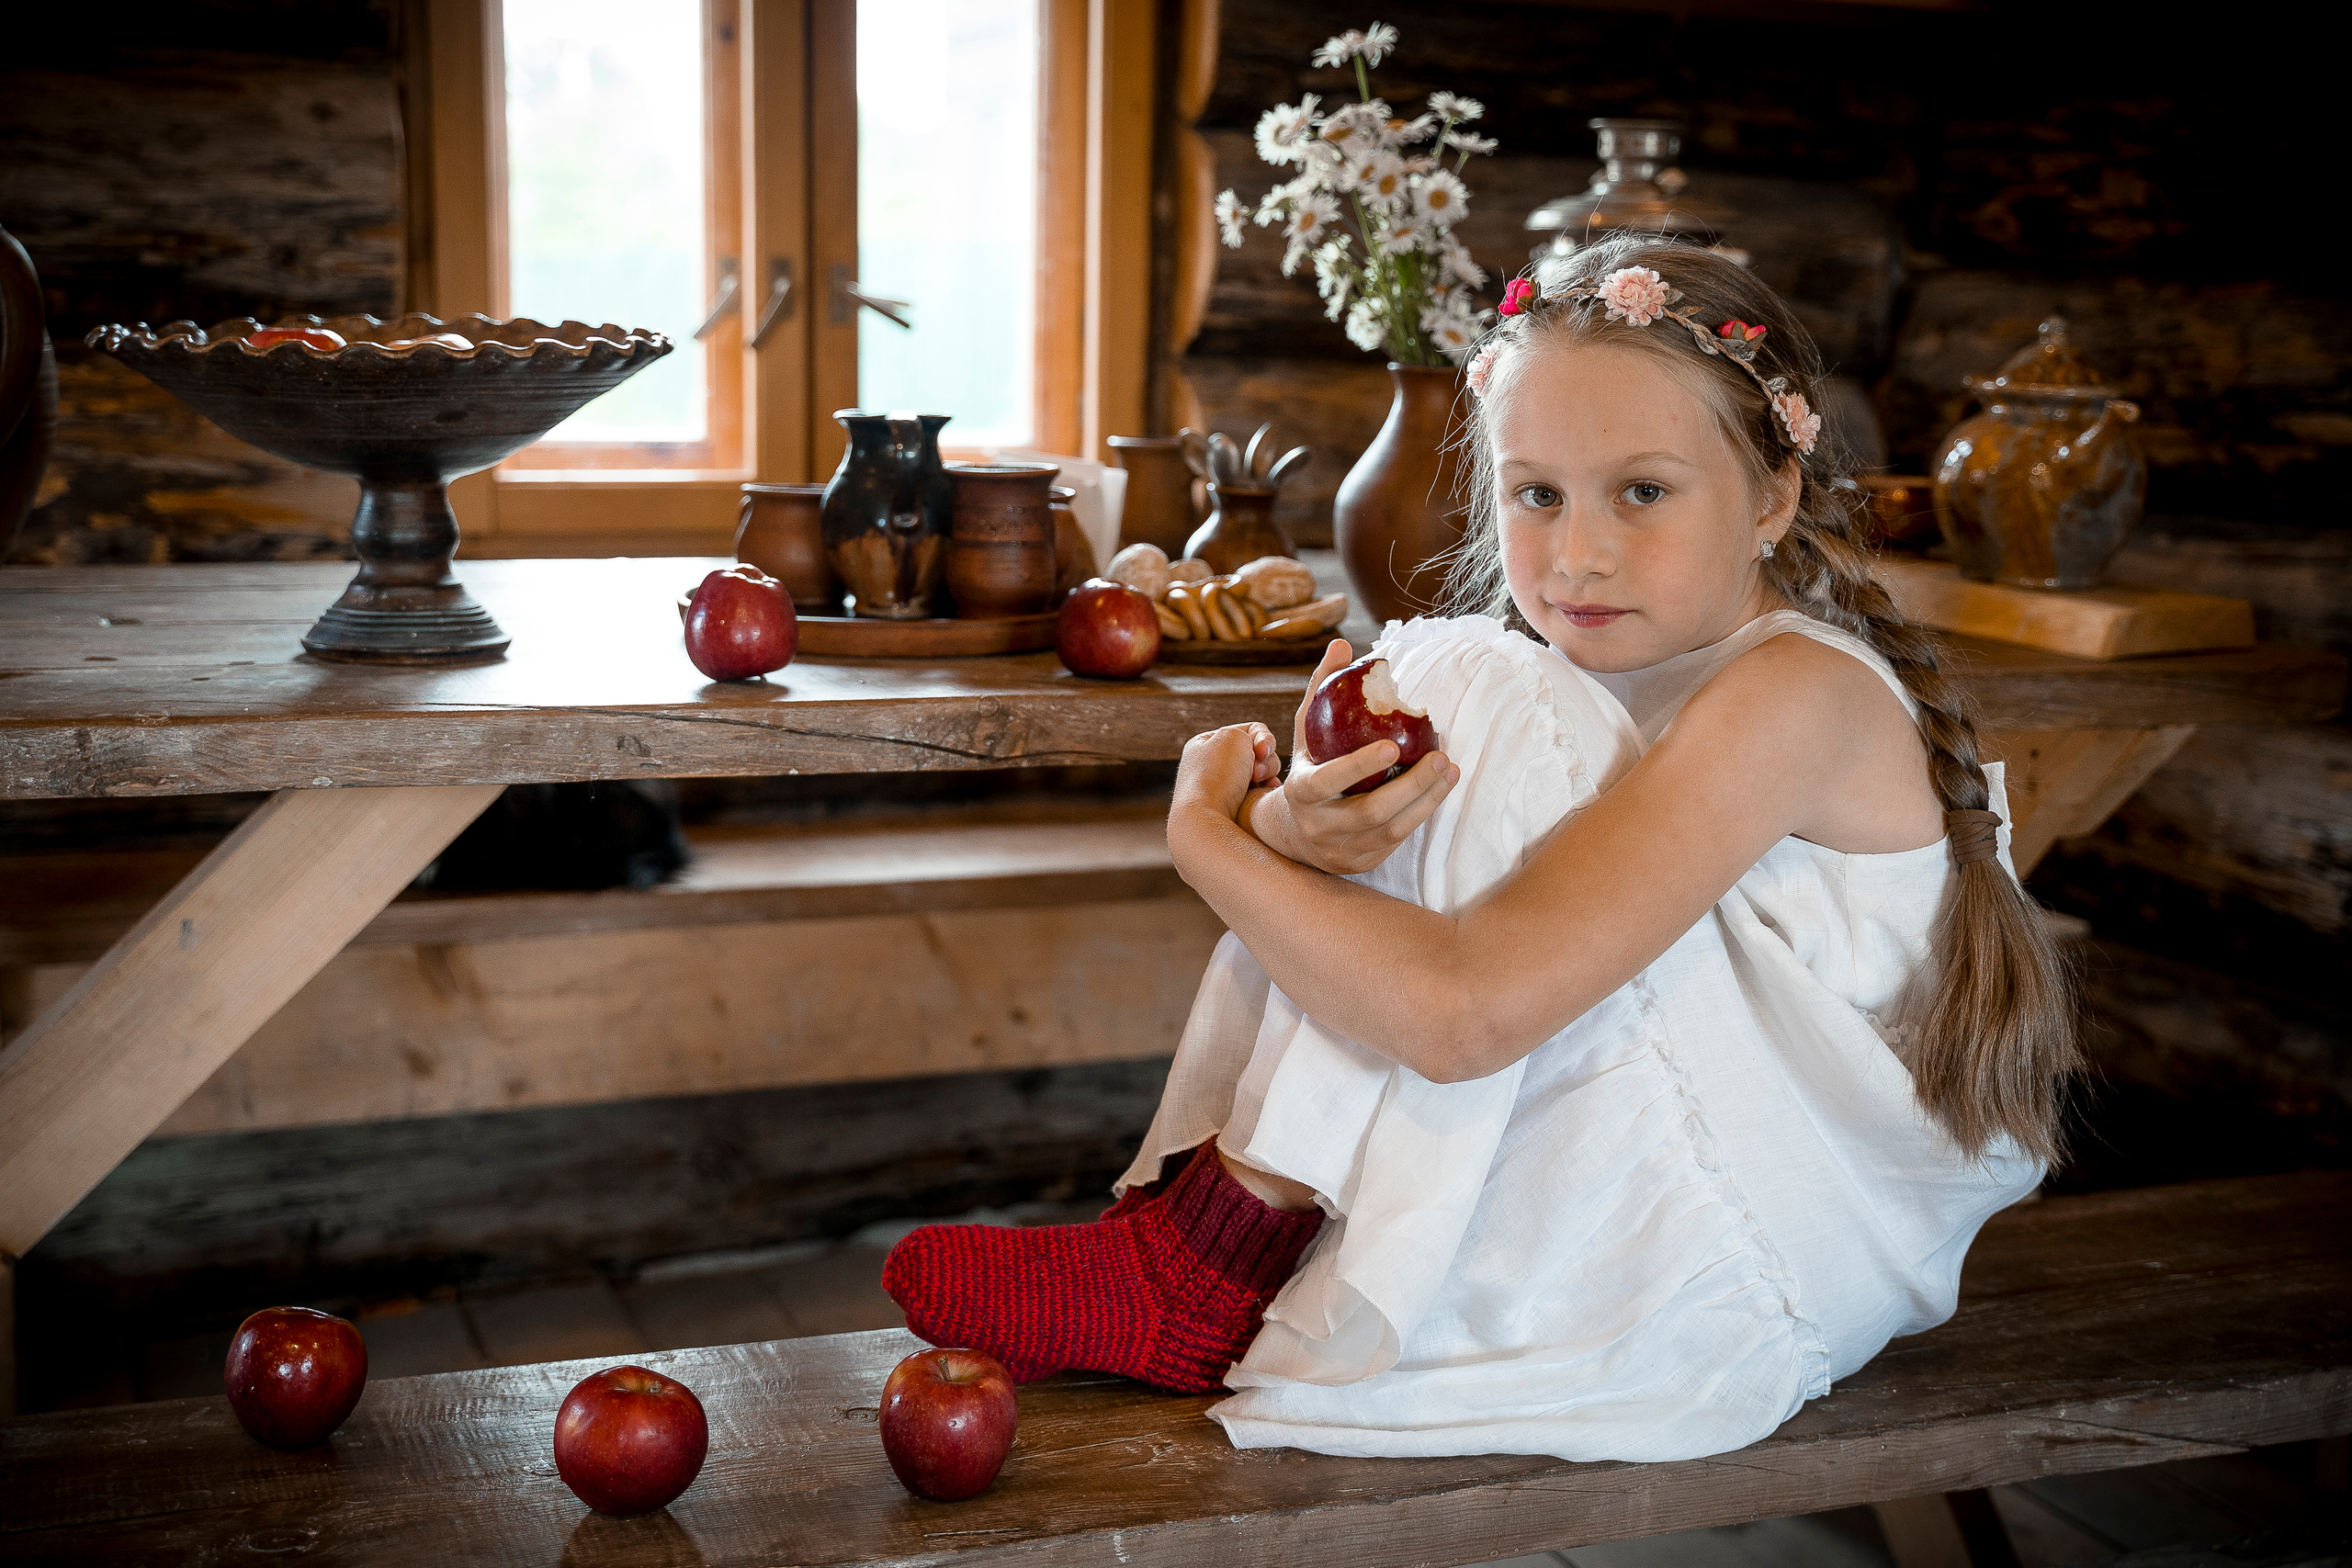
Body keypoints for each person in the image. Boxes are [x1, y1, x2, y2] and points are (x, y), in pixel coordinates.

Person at [882, 235, 2078, 1462]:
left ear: (1772, 497)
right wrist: (1298, 830)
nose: (1577, 554)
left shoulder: (1797, 698)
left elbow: (1461, 1017)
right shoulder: (1603, 678)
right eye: (1535, 492)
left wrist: (1211, 839)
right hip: (1616, 1151)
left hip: (1771, 1245)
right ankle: (1217, 1241)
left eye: (1644, 492)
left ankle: (1205, 1256)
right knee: (1462, 682)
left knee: (1475, 682)